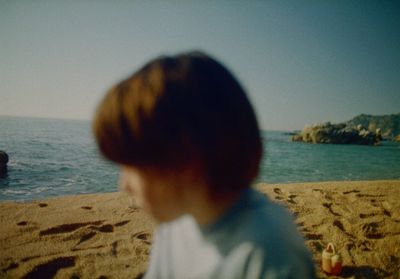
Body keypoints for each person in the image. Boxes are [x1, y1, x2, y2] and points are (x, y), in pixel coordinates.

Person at [93, 51, 315, 278]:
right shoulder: (174, 225)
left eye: (131, 166)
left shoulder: (269, 256)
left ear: (184, 160)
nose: (124, 185)